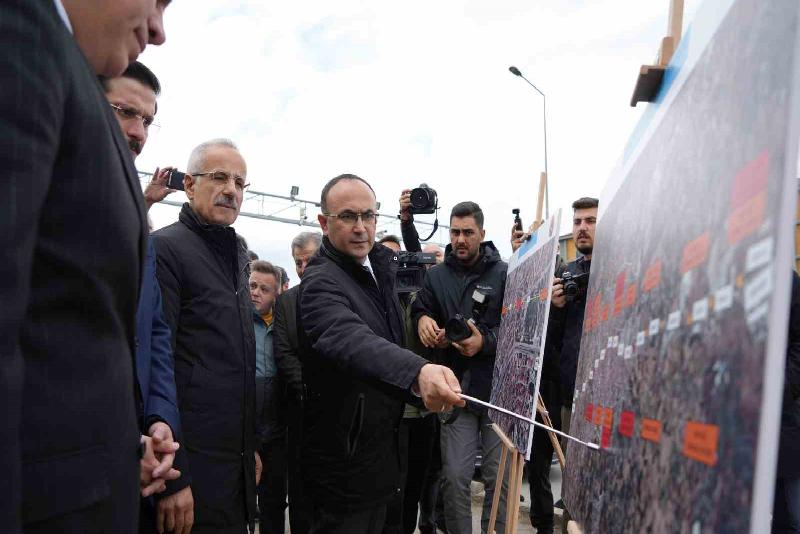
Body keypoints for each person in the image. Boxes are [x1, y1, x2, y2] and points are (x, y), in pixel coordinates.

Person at [0, 1, 168, 532]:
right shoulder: (22, 35)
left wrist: (122, 442)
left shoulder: (70, 76)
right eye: (159, 0)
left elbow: (61, 328)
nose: (160, 30)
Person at [298, 174, 464, 533]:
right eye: (347, 217)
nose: (360, 227)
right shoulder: (321, 282)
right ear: (324, 223)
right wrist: (418, 372)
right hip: (343, 466)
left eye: (368, 216)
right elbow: (350, 338)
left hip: (382, 455)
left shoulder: (378, 269)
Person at [153, 139, 260, 534]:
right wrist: (173, 477)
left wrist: (250, 449)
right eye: (218, 177)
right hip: (188, 470)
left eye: (239, 182)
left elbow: (233, 363)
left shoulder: (237, 255)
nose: (231, 189)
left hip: (232, 468)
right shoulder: (165, 249)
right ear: (189, 185)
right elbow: (157, 366)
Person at [102, 61, 188, 533]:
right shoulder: (38, 194)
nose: (138, 132)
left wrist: (160, 421)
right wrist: (115, 446)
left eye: (148, 121)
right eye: (124, 112)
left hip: (142, 463)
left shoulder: (136, 219)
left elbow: (154, 333)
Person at [412, 201, 509, 534]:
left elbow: (519, 328)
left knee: (500, 480)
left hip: (498, 391)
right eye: (455, 232)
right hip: (455, 391)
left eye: (468, 232)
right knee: (454, 478)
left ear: (482, 233)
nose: (460, 239)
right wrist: (423, 321)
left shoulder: (505, 273)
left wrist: (485, 342)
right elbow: (421, 309)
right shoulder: (435, 277)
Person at [545, 196, 598, 531]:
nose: (582, 228)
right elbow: (554, 341)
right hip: (570, 397)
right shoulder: (568, 273)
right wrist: (557, 308)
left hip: (612, 397)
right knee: (573, 487)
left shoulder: (623, 266)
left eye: (591, 221)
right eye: (578, 222)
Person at [273, 231, 323, 534]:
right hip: (301, 409)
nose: (303, 268)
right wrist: (307, 388)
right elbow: (283, 350)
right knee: (301, 487)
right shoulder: (286, 303)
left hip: (337, 409)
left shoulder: (341, 295)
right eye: (298, 263)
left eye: (309, 260)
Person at [249, 260, 288, 534]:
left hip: (277, 429)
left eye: (264, 288)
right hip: (245, 426)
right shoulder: (238, 323)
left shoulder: (284, 326)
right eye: (252, 286)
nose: (255, 293)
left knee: (273, 500)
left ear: (276, 294)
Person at [773, 271, 800, 533]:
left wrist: (781, 387)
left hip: (784, 417)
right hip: (744, 423)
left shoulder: (786, 278)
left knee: (793, 516)